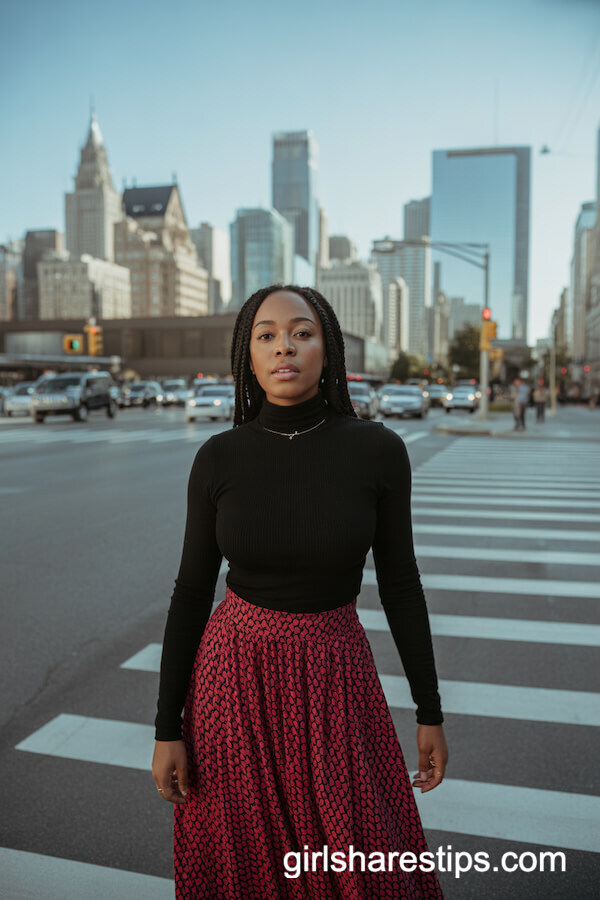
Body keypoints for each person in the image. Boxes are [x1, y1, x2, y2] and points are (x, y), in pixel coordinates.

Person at [152, 285, 447, 899]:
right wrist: (166, 728)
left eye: (301, 331)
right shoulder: (218, 457)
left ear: (327, 349)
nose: (284, 344)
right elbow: (189, 592)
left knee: (364, 865)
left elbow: (401, 584)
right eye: (266, 334)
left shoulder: (378, 451)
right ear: (248, 355)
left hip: (337, 679)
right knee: (251, 873)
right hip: (233, 683)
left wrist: (429, 712)